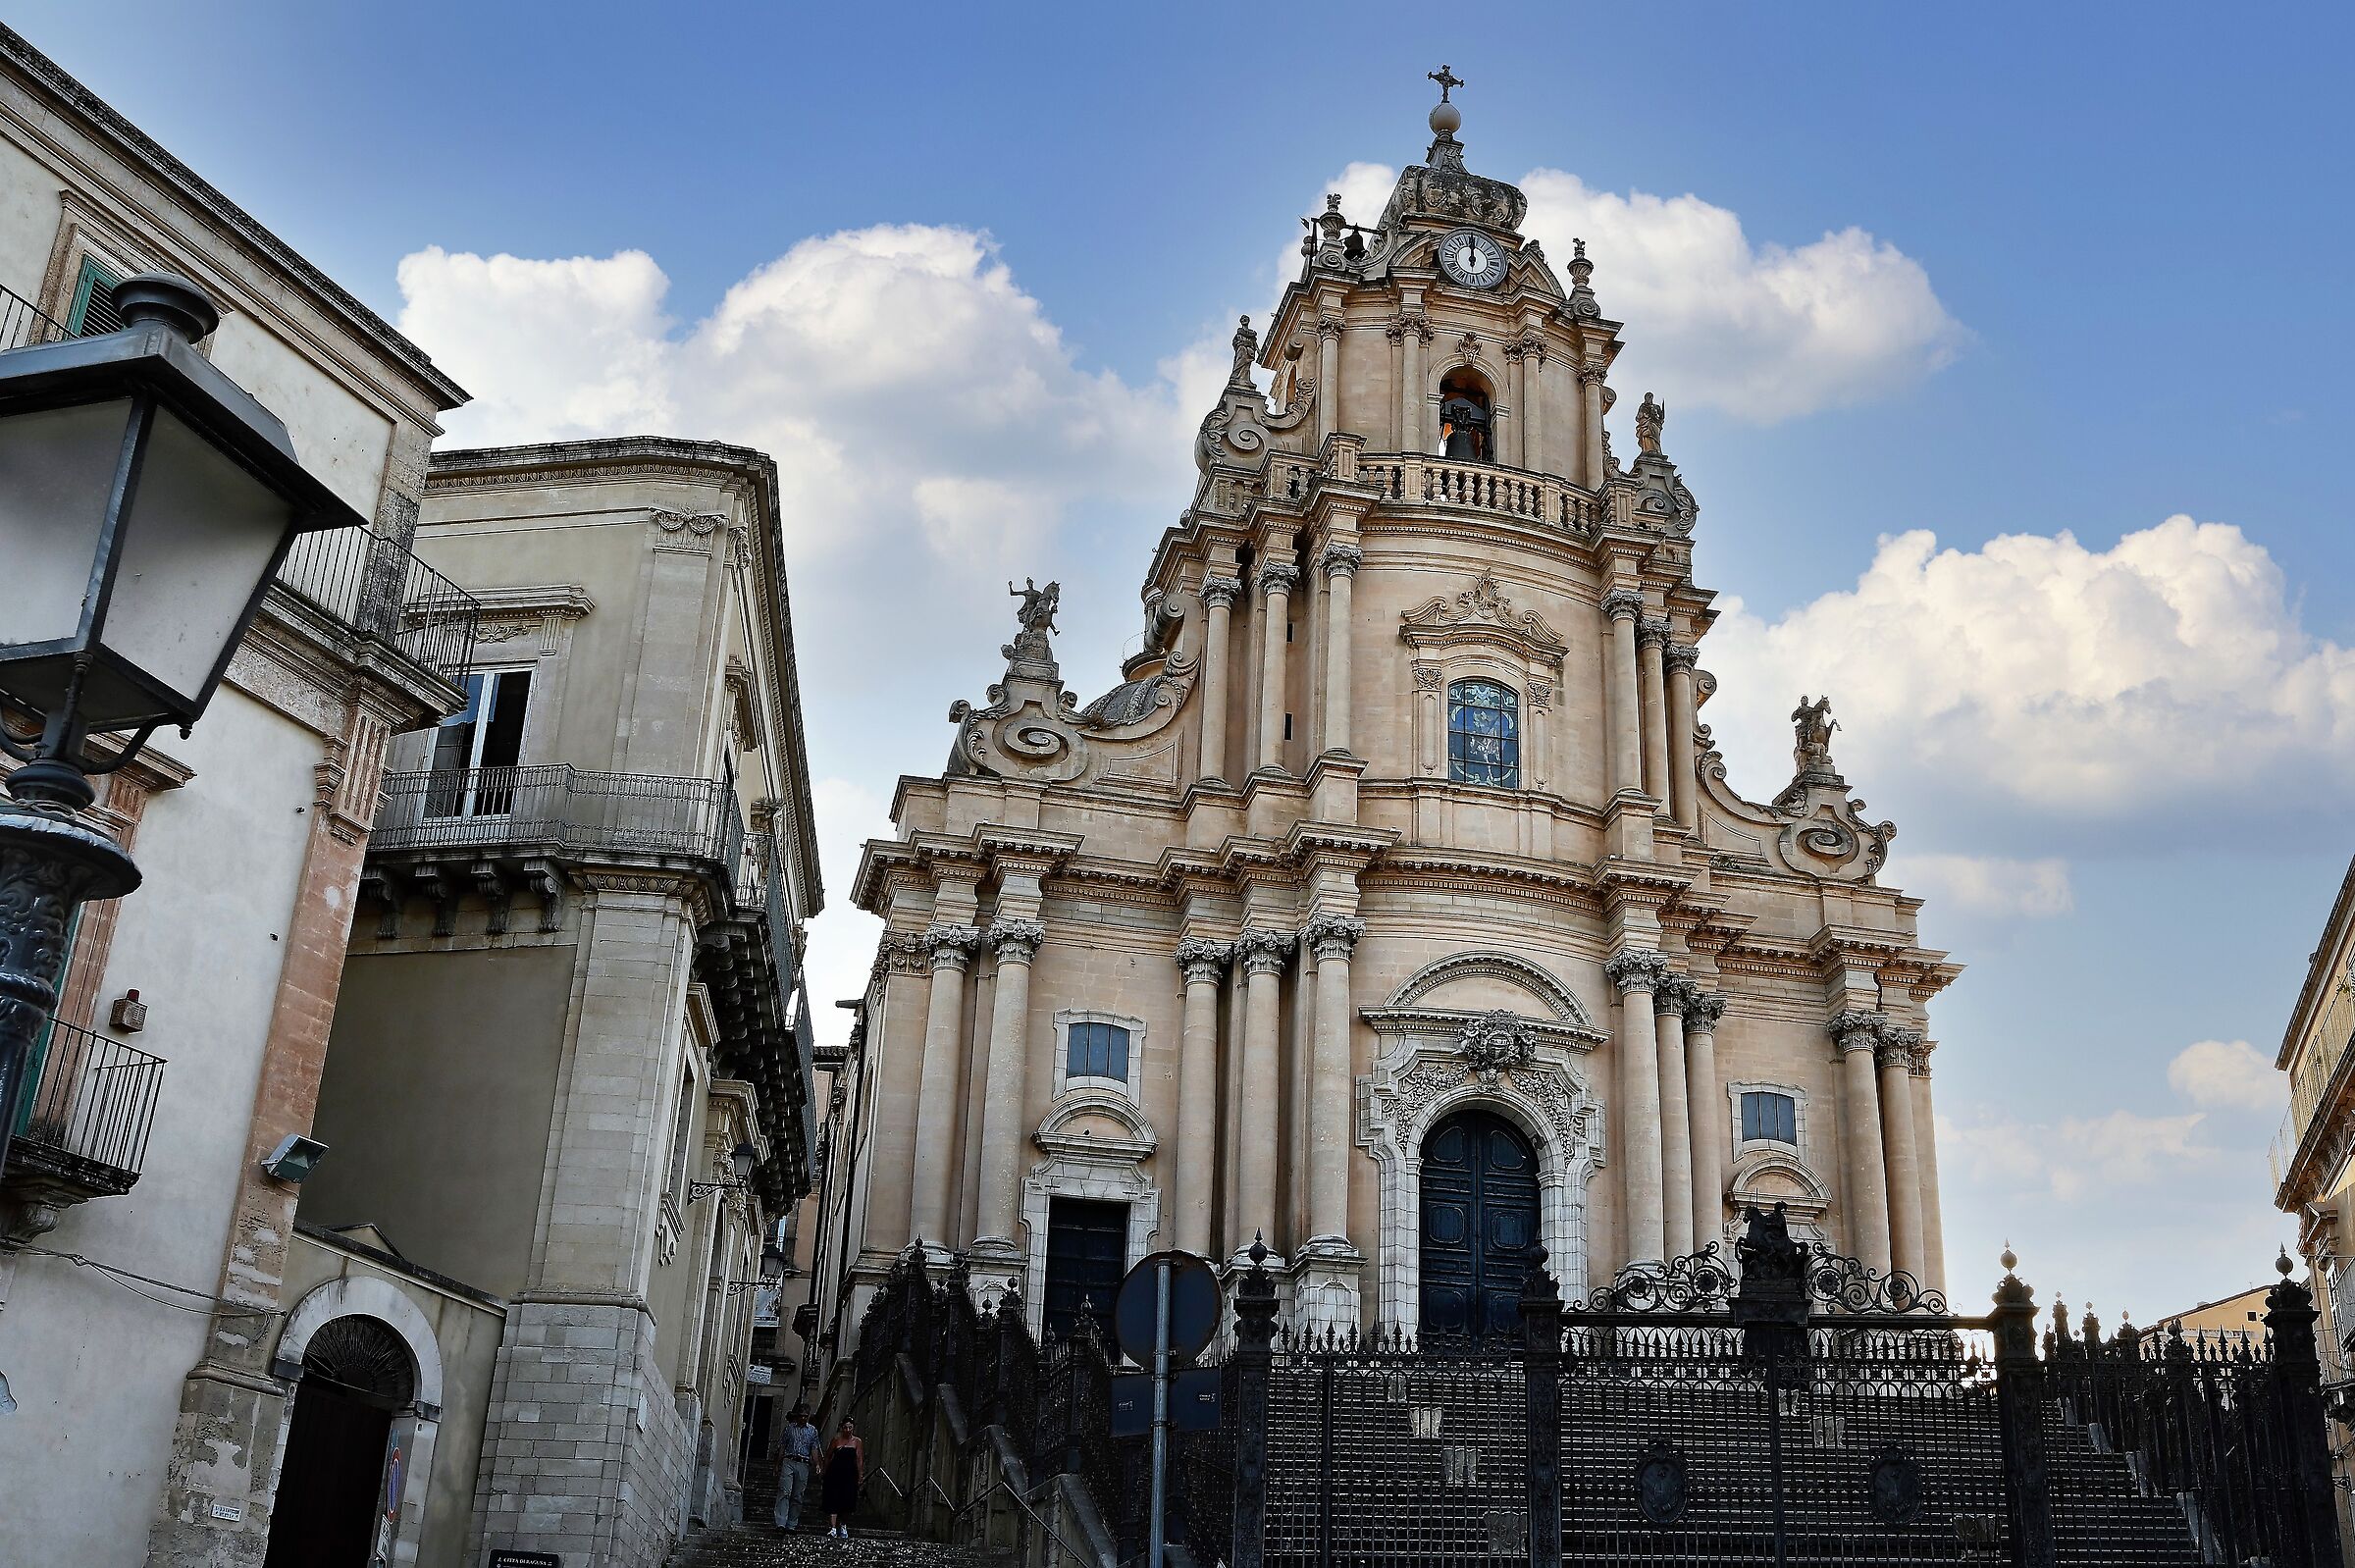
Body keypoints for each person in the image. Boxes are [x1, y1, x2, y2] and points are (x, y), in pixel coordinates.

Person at [773, 1403, 820, 1532]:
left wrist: (817, 1464)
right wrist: (777, 1464)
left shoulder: (812, 1431)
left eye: (805, 1416)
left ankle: (791, 1524)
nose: (803, 1419)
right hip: (789, 1460)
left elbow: (814, 1449)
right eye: (801, 1416)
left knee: (798, 1495)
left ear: (808, 1416)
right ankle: (781, 1523)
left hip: (803, 1463)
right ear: (797, 1416)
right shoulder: (789, 1429)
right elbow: (782, 1446)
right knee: (785, 1491)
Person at [821, 1417, 864, 1540]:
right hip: (835, 1474)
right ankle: (833, 1527)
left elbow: (859, 1459)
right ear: (842, 1428)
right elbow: (828, 1455)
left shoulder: (857, 1442)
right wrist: (825, 1470)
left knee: (848, 1500)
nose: (847, 1430)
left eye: (850, 1427)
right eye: (845, 1427)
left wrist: (860, 1475)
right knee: (833, 1499)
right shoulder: (836, 1440)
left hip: (850, 1475)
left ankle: (843, 1525)